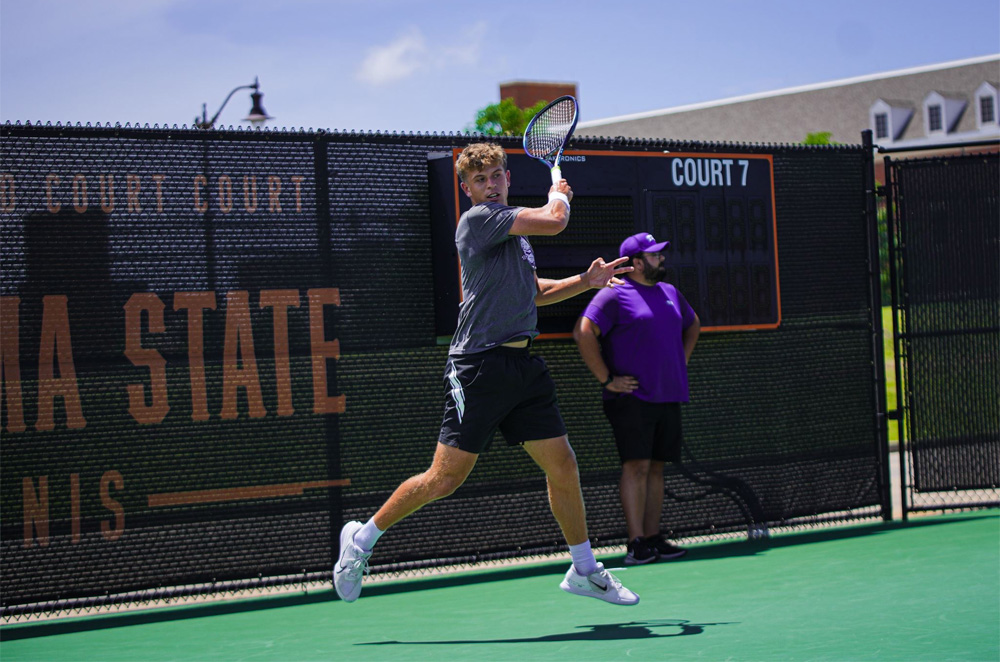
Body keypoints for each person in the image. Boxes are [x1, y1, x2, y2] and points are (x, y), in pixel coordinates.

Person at [334, 142, 640, 606]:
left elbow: (532, 294)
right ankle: (360, 540)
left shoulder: (513, 235)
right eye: (481, 180)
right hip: (478, 365)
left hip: (523, 366)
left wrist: (584, 281)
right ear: (467, 189)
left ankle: (584, 570)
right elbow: (556, 219)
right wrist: (560, 194)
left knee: (563, 465)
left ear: (507, 177)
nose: (491, 185)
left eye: (497, 175)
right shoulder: (478, 220)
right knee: (444, 479)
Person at [573, 232, 701, 566]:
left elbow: (693, 324)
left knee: (657, 467)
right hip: (630, 398)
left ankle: (654, 538)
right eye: (655, 255)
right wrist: (607, 379)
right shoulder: (614, 294)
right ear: (637, 263)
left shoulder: (670, 292)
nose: (661, 259)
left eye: (660, 254)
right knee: (637, 466)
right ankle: (636, 544)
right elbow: (583, 331)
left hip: (668, 394)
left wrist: (680, 360)